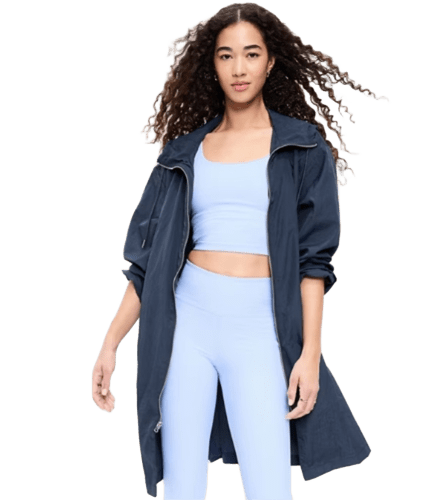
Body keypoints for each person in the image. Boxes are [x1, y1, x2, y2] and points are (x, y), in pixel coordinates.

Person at [91, 3, 390, 499]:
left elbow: (315, 262)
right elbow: (146, 262)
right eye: (226, 55)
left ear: (270, 61)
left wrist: (310, 353)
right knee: (181, 485)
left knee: (269, 487)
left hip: (259, 325)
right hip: (187, 321)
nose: (239, 68)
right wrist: (109, 344)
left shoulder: (302, 147)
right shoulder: (182, 152)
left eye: (251, 54)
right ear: (212, 65)